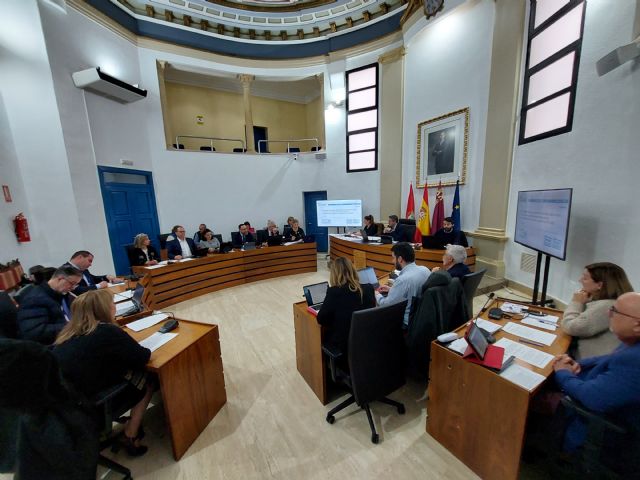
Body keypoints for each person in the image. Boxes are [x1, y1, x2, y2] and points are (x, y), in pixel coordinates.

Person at [53, 289, 153, 456]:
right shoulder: (107, 331)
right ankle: (131, 435)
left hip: (68, 408)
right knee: (148, 379)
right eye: (112, 304)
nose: (114, 307)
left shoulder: (66, 335)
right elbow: (143, 356)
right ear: (104, 310)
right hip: (95, 403)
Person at [552, 292, 640, 453]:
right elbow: (609, 358)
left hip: (605, 430)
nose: (608, 313)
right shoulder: (632, 342)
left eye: (615, 311)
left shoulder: (635, 361)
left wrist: (563, 373)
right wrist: (578, 363)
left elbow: (591, 398)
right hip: (599, 389)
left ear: (637, 325)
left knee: (537, 394)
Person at [561, 262, 633, 359]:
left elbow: (571, 327)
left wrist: (576, 302)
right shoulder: (605, 301)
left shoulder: (607, 306)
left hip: (588, 365)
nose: (580, 280)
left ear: (599, 285)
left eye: (585, 278)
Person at [317, 257, 376, 356]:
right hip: (366, 342)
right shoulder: (369, 288)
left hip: (343, 347)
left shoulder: (334, 292)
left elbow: (321, 319)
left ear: (334, 274)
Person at [16, 265, 82, 344]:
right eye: (72, 283)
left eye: (76, 285)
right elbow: (35, 332)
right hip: (49, 347)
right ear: (60, 279)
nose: (73, 288)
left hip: (63, 337)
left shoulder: (57, 294)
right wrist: (73, 326)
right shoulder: (35, 299)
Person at [376, 242, 431, 328]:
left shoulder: (402, 280)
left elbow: (387, 305)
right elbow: (412, 293)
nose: (392, 261)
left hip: (406, 323)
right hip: (421, 318)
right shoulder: (425, 270)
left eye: (393, 258)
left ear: (400, 259)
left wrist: (377, 295)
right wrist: (392, 289)